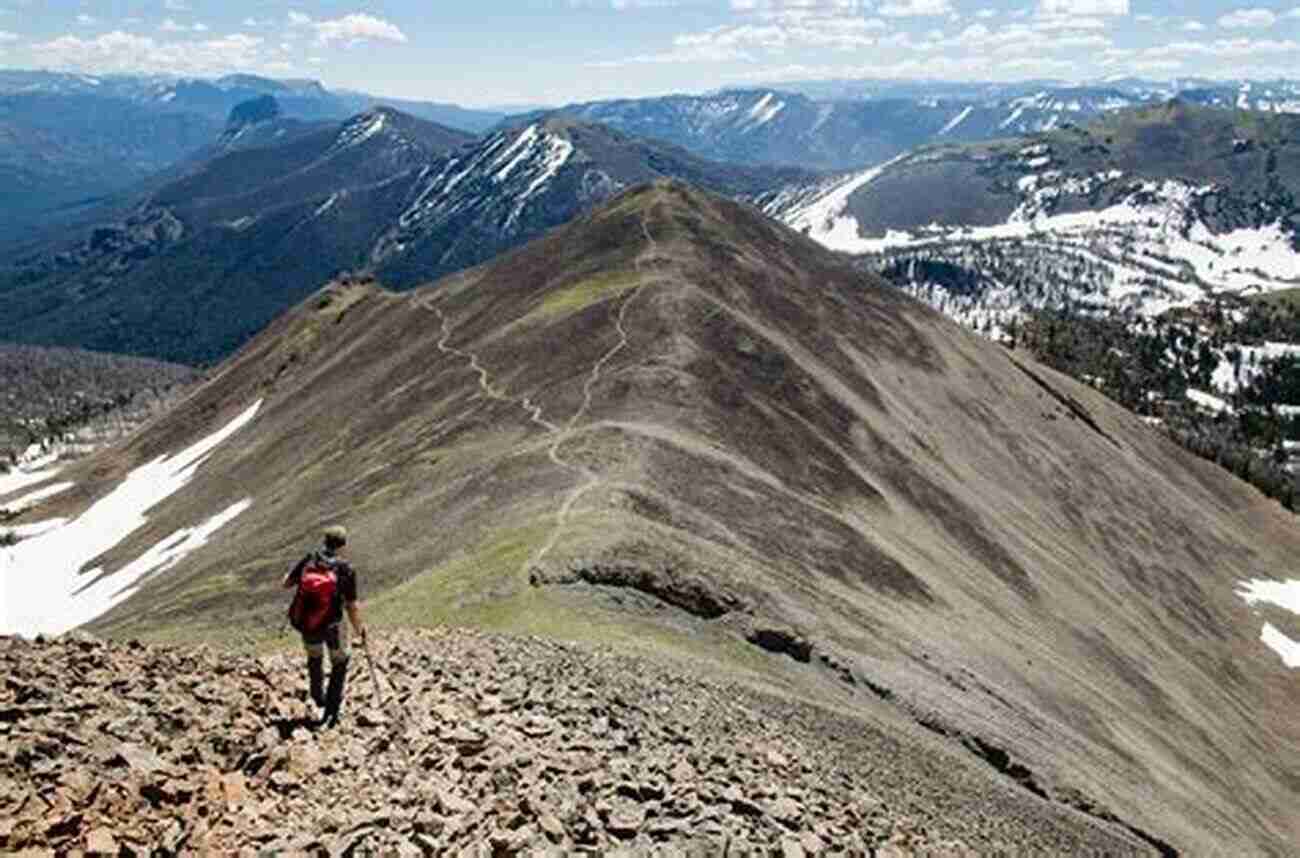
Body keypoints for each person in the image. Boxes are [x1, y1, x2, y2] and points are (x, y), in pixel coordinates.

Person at [283, 525, 366, 726]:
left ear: (325, 541)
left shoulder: (310, 559)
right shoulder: (346, 569)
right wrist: (359, 630)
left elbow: (286, 583)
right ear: (343, 545)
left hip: (308, 624)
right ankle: (331, 711)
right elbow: (351, 605)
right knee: (340, 662)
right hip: (333, 626)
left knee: (314, 657)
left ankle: (317, 697)